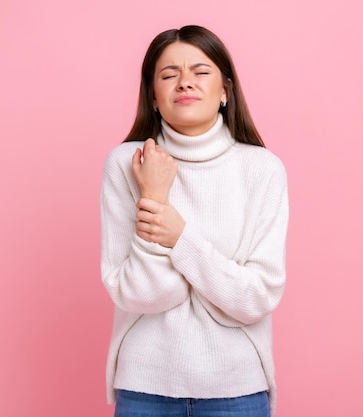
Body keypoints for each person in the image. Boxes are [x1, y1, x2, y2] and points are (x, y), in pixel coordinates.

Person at [100, 25, 289, 417]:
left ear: (225, 91)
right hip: (143, 389)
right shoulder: (127, 165)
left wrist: (179, 236)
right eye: (169, 75)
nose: (185, 82)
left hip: (237, 390)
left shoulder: (262, 170)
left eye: (200, 72)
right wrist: (153, 194)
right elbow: (141, 294)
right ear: (153, 97)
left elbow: (256, 297)